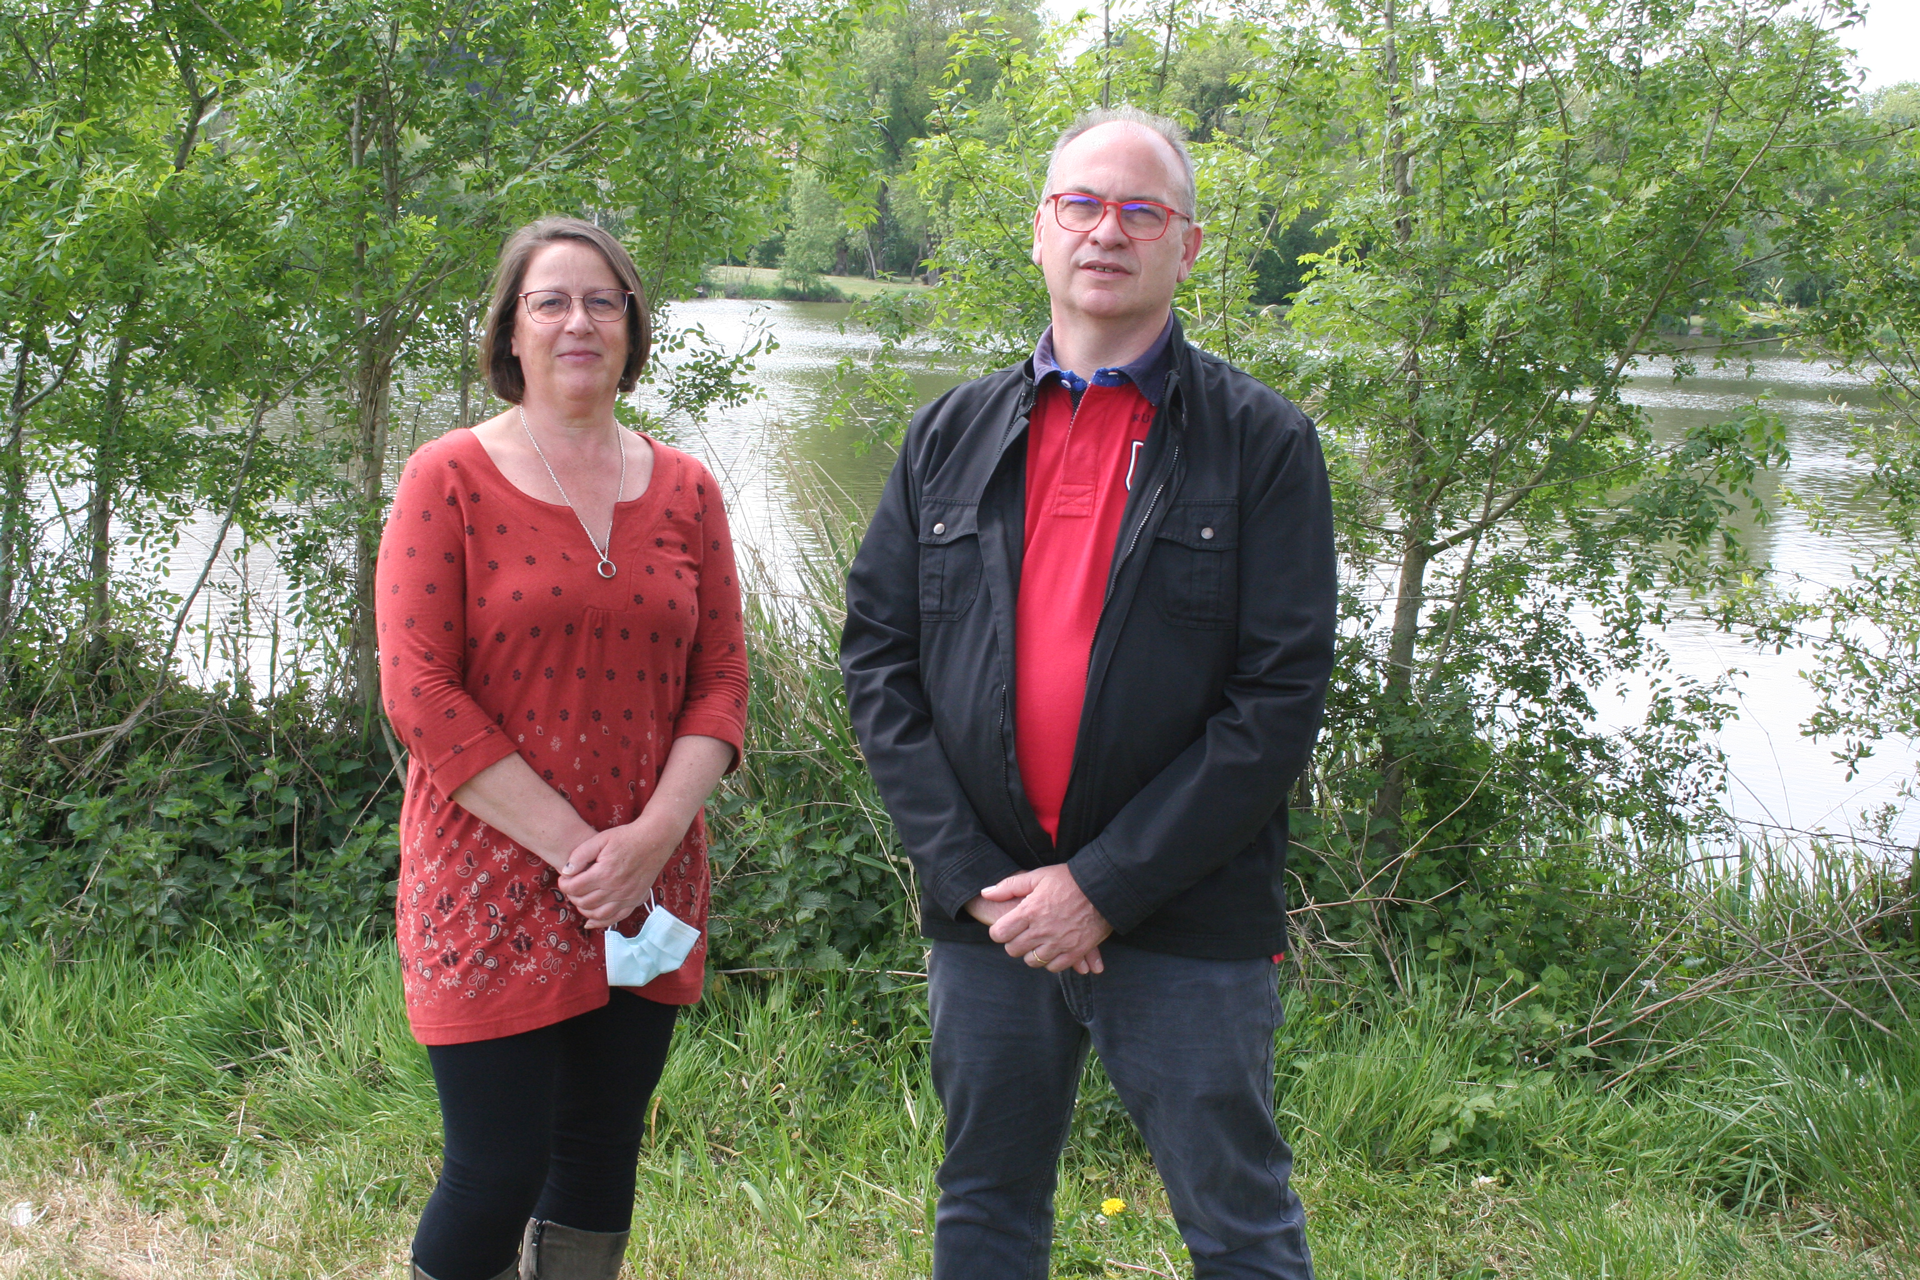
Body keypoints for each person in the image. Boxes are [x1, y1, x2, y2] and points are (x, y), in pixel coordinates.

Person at [840, 106, 1336, 1278]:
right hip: (992, 911)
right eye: (1082, 204)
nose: (1106, 232)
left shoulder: (1263, 444)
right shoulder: (946, 436)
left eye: (1140, 211)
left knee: (1239, 1219)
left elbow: (1276, 701)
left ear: (1187, 246)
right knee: (984, 1208)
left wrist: (1103, 887)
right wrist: (970, 880)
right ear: (1040, 231)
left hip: (1187, 914)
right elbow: (877, 660)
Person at [376, 216, 748, 1280]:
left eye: (602, 300)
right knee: (495, 1168)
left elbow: (722, 683)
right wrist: (582, 846)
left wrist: (649, 840)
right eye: (551, 300)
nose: (579, 320)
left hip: (651, 880)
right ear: (510, 329)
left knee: (598, 1160)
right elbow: (420, 691)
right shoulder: (446, 477)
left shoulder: (687, 489)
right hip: (485, 879)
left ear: (633, 326)